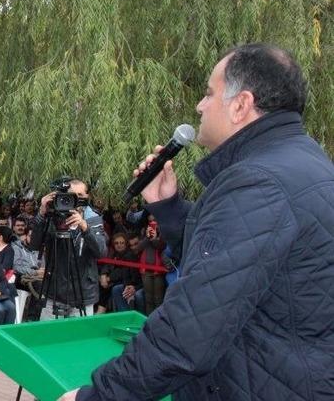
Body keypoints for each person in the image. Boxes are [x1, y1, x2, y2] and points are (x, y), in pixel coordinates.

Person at [61, 44, 334, 400]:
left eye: (208, 93)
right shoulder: (308, 165)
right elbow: (247, 269)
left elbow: (189, 330)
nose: (200, 106)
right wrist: (170, 208)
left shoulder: (256, 182)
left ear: (240, 105)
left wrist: (96, 396)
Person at [30, 180, 107, 318]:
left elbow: (101, 252)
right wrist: (42, 213)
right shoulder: (52, 218)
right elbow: (34, 245)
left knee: (79, 337)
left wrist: (84, 227)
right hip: (54, 291)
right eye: (72, 195)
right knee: (49, 335)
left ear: (87, 197)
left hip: (83, 293)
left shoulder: (93, 220)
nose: (76, 199)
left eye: (80, 194)